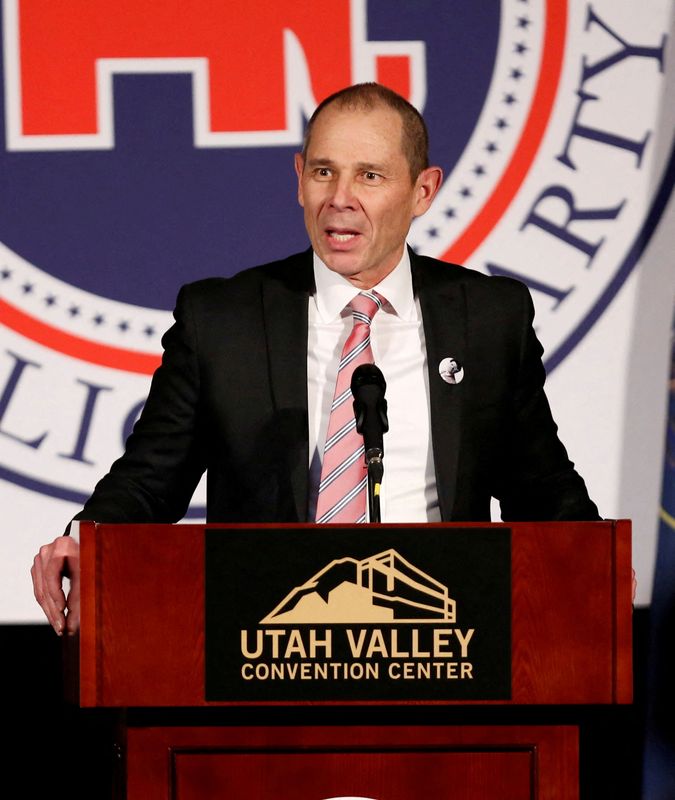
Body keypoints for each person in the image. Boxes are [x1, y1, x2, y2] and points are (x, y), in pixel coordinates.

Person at [31, 82, 601, 636]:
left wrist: (596, 558)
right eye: (324, 172)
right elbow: (149, 481)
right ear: (299, 179)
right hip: (265, 647)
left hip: (444, 646)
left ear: (423, 192)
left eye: (370, 176)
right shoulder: (223, 320)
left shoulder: (487, 318)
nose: (340, 198)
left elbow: (540, 484)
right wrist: (84, 539)